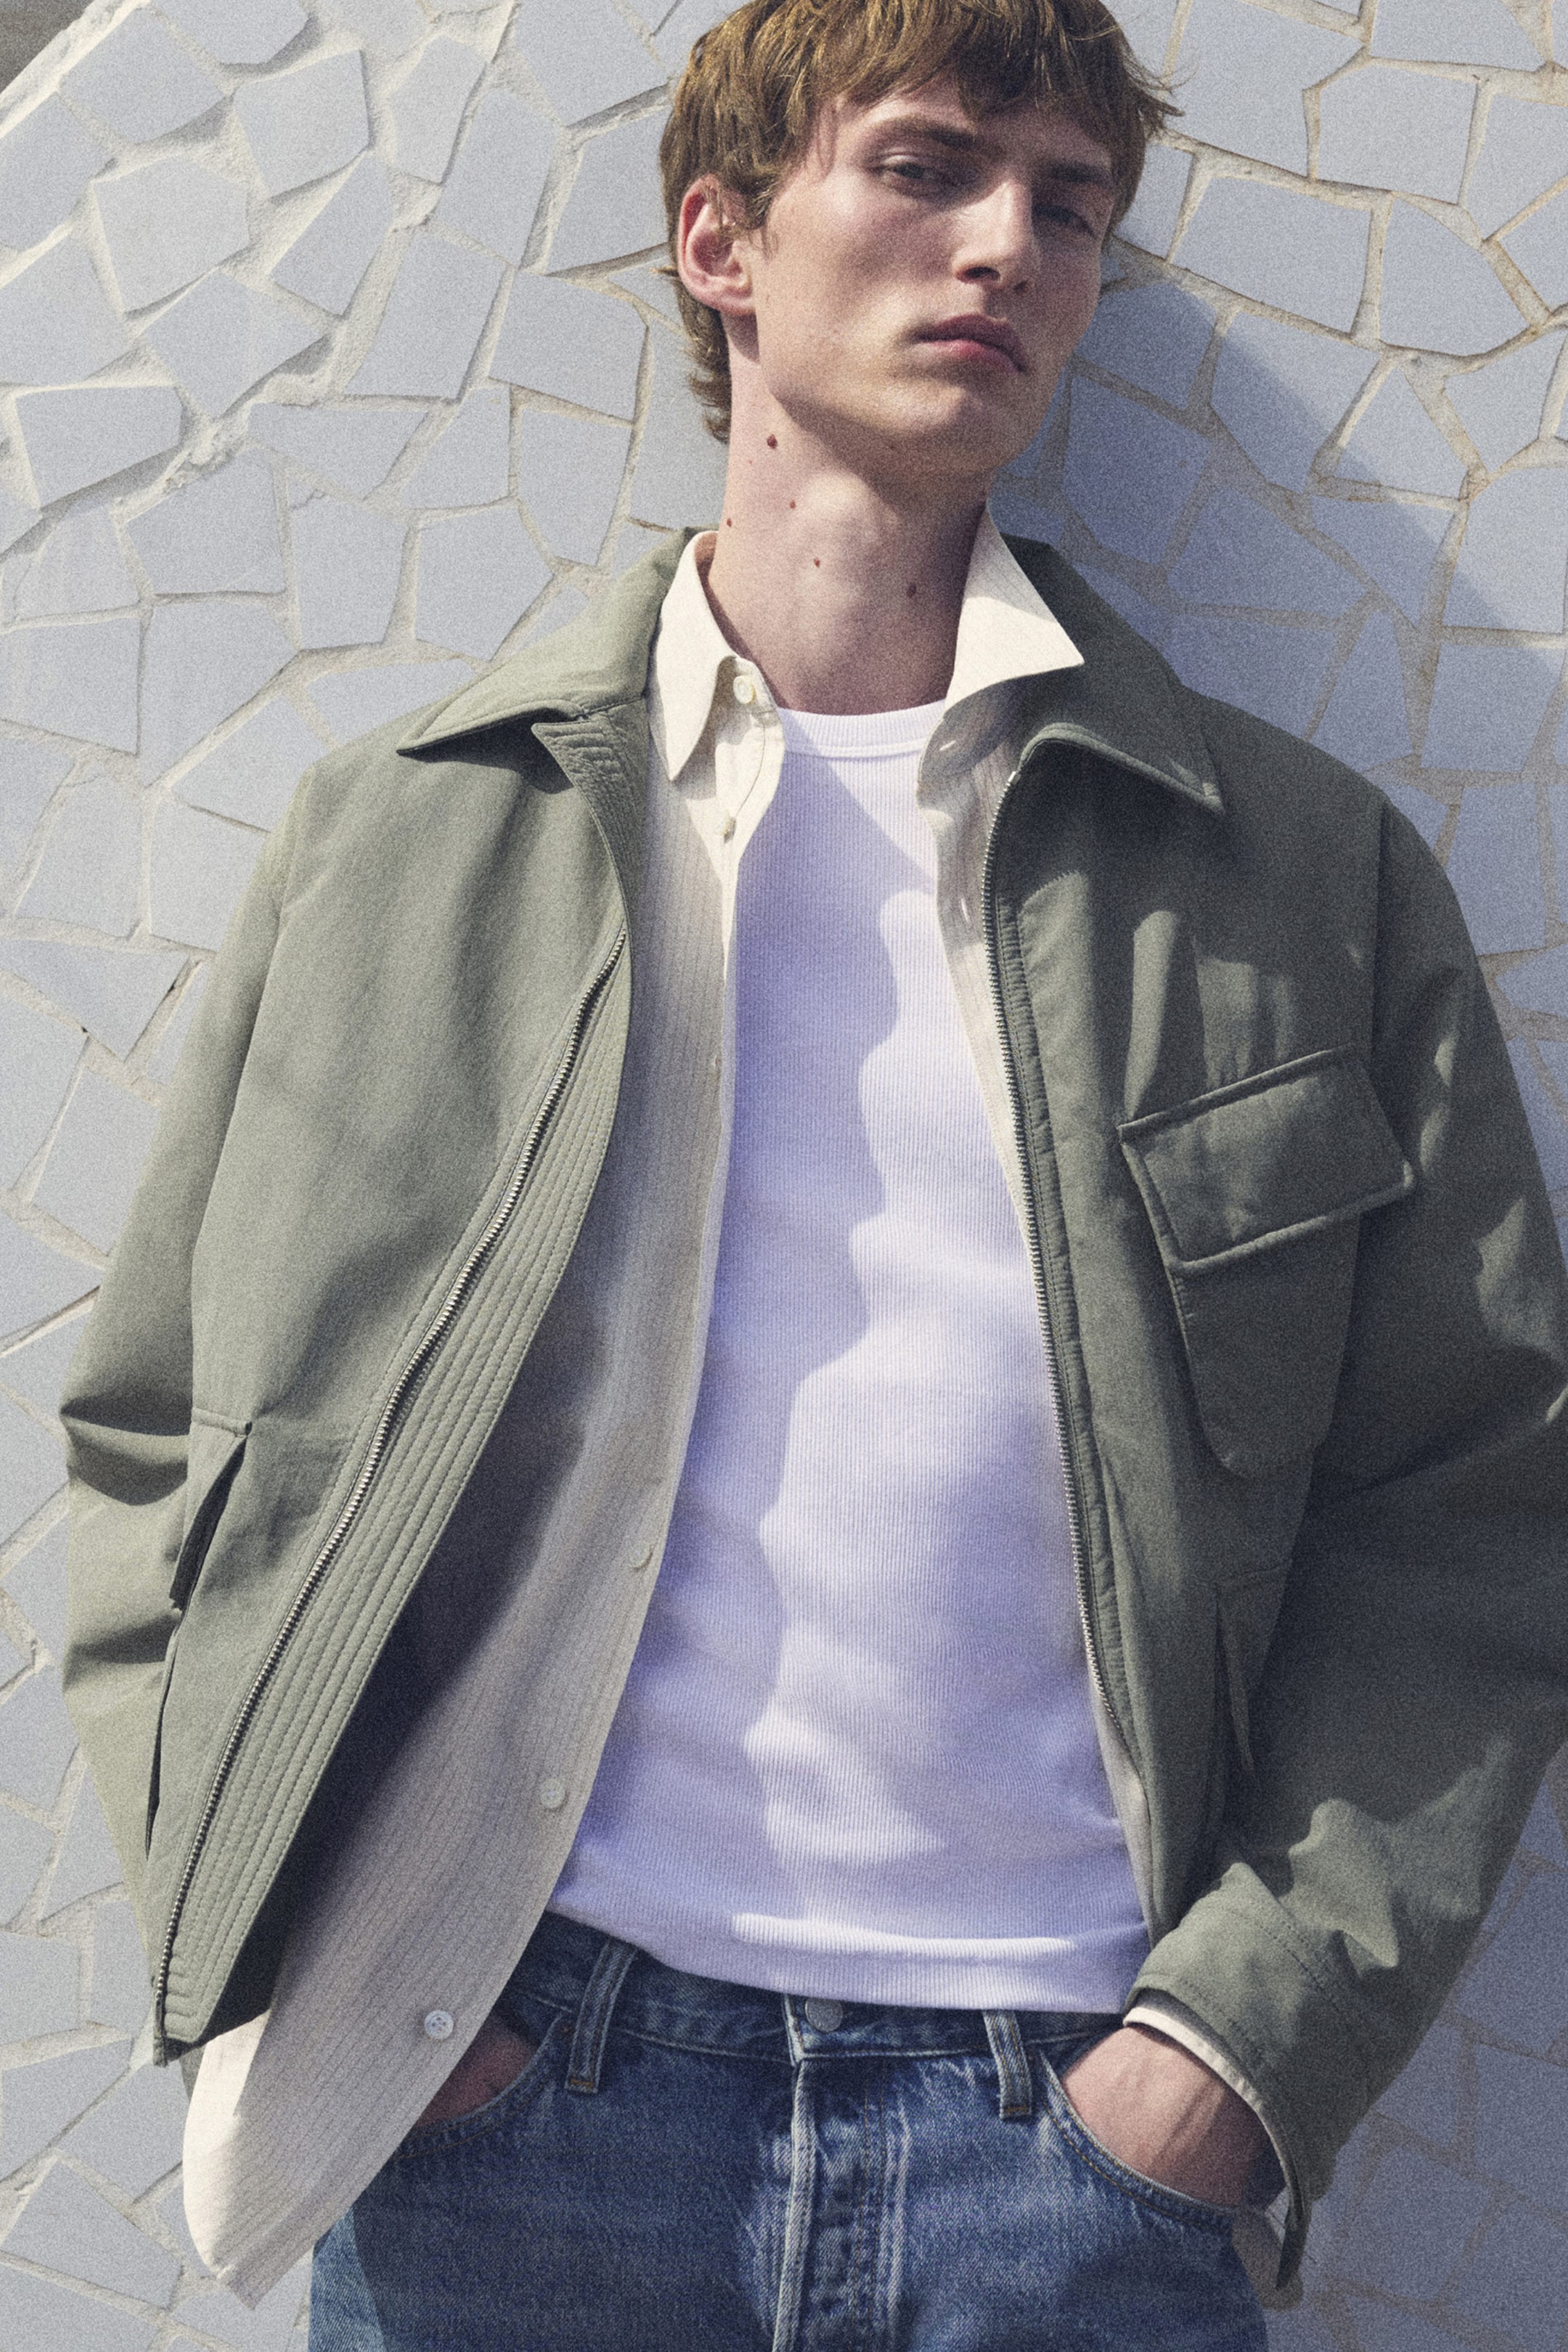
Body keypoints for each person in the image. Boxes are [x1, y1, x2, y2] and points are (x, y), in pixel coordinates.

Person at [61, 0, 1568, 2343]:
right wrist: (345, 1976)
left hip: (1070, 2153)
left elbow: (1472, 1505)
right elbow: (177, 1450)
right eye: (930, 167)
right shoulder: (422, 840)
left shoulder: (1297, 878)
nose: (1009, 251)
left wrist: (1231, 2061)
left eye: (1068, 206)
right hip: (515, 2114)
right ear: (723, 243)